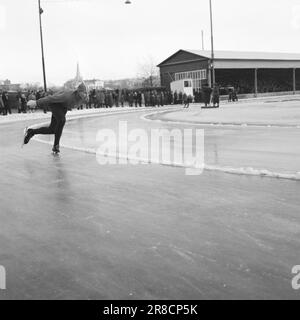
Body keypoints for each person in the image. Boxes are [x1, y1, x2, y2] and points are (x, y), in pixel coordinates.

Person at [23, 83, 88, 154]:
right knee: (62, 120)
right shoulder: (67, 96)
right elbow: (50, 98)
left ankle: (31, 132)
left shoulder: (85, 98)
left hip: (63, 107)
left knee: (52, 130)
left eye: (85, 93)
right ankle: (56, 146)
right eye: (82, 92)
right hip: (55, 104)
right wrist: (36, 102)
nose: (84, 94)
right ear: (78, 91)